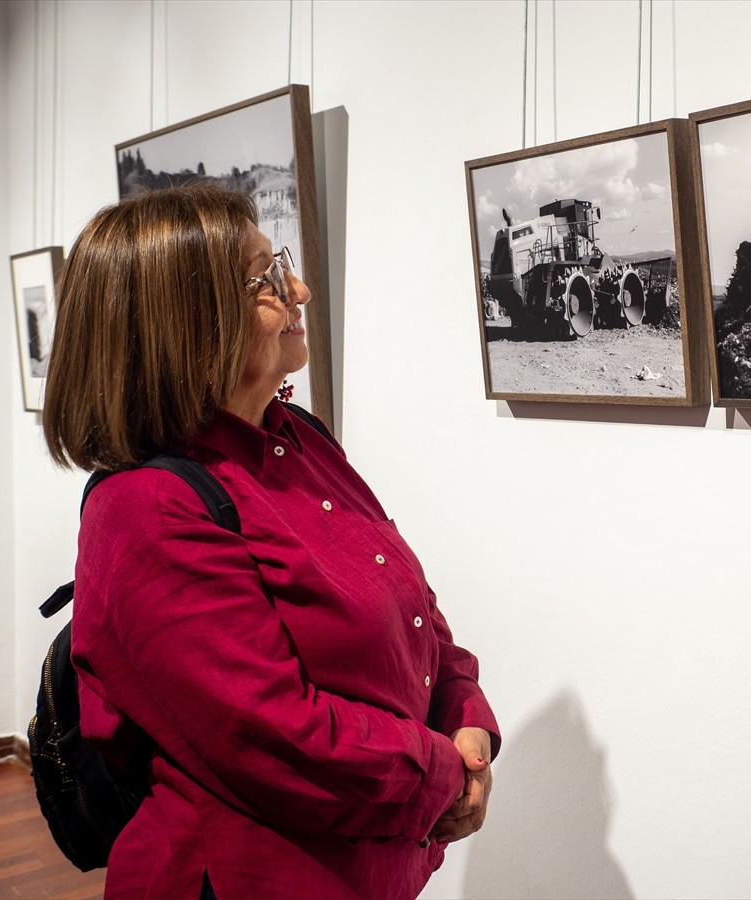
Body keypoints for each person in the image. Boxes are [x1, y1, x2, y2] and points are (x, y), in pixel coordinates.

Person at [42, 184, 499, 899]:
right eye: (264, 279)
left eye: (278, 265)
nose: (300, 290)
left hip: (374, 865)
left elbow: (413, 609)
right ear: (184, 323)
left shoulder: (299, 439)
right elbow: (276, 735)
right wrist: (445, 773)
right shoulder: (146, 510)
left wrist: (466, 719)